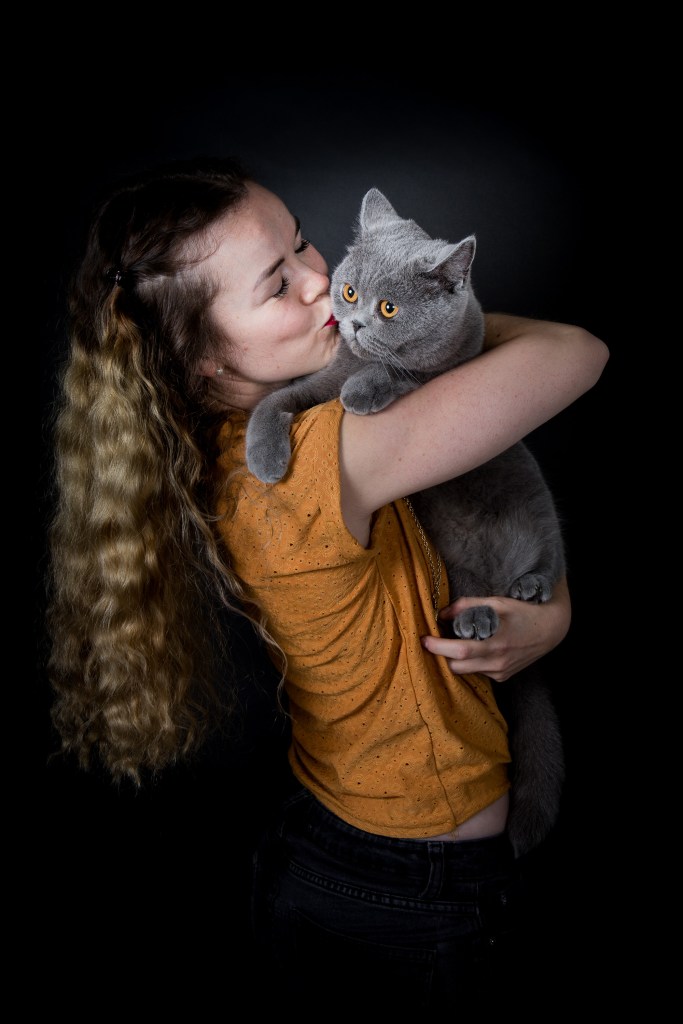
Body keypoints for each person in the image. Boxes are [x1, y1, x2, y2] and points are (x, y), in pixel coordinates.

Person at [45, 156, 608, 1008]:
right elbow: (576, 352)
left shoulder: (242, 444)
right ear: (201, 355)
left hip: (332, 838)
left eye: (304, 243)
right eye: (277, 286)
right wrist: (412, 308)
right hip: (411, 886)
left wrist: (548, 613)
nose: (322, 283)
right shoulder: (318, 462)